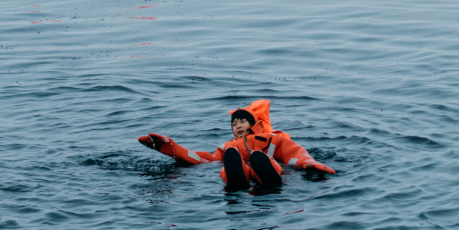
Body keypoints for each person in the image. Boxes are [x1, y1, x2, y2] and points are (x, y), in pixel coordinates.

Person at [139, 99, 336, 192]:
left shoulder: (273, 139)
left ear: (254, 124)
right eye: (234, 124)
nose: (237, 126)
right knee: (227, 162)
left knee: (265, 161)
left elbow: (294, 153)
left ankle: (263, 174)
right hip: (238, 170)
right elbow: (203, 159)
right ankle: (237, 176)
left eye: (242, 121)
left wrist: (308, 162)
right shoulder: (228, 147)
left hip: (276, 170)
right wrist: (173, 149)